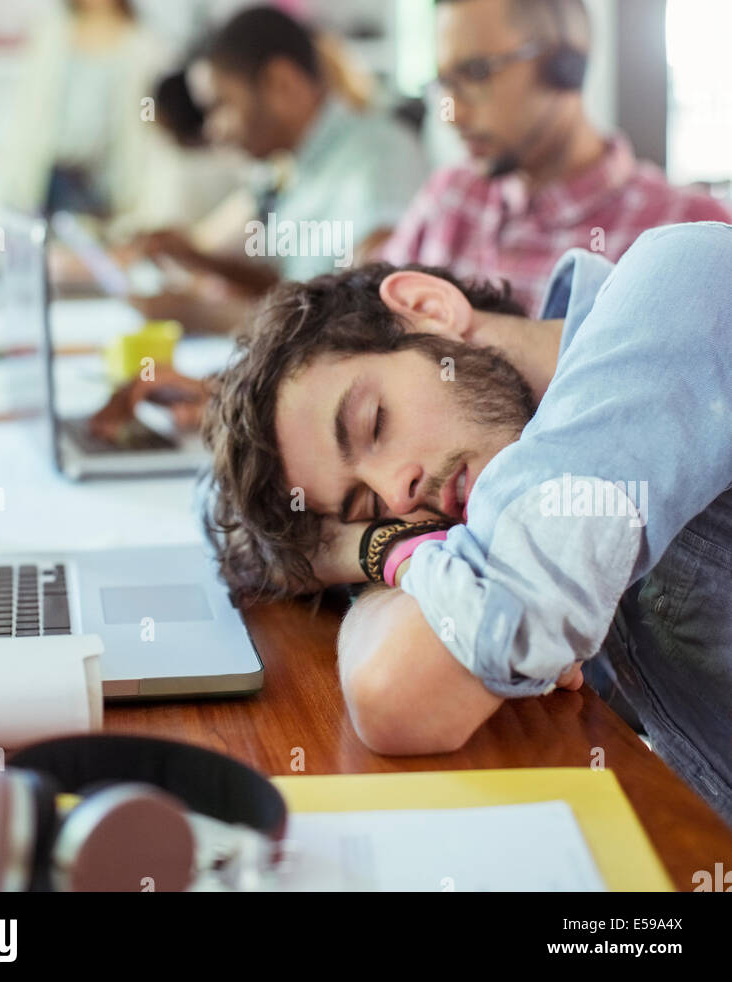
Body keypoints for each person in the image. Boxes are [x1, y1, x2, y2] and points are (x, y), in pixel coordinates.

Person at [201, 221, 732, 825]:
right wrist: (388, 551)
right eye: (367, 512)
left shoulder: (683, 289)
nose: (397, 497)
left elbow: (398, 694)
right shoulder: (513, 474)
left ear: (429, 308)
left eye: (374, 423)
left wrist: (375, 552)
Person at [384, 0, 731, 313]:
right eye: (445, 83)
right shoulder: (449, 196)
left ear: (563, 65)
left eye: (476, 73)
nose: (452, 114)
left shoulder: (688, 226)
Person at [122, 3, 427, 321]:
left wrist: (203, 314)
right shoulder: (301, 165)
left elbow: (365, 315)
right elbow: (297, 290)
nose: (215, 129)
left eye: (221, 105)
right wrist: (198, 259)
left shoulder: (378, 156)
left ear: (281, 83)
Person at [0, 0, 166, 233]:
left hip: (107, 182)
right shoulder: (51, 34)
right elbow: (27, 109)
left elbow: (149, 127)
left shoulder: (143, 45)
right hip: (51, 174)